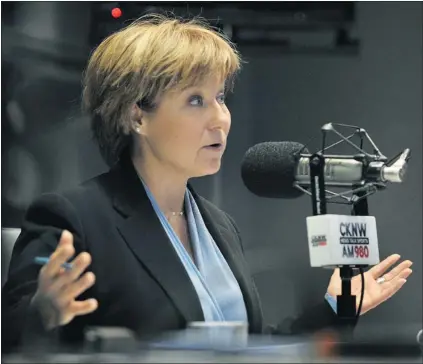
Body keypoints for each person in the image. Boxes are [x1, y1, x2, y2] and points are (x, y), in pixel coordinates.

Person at [2, 14, 413, 353]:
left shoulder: (219, 226)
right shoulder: (72, 218)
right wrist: (44, 311)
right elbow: (10, 335)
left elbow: (250, 352)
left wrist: (335, 306)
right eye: (196, 100)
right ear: (137, 117)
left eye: (220, 97)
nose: (221, 118)